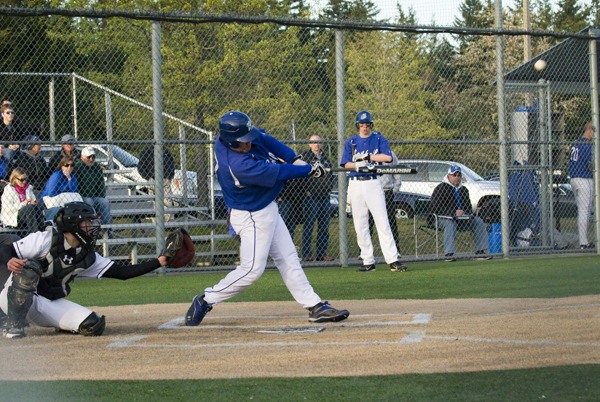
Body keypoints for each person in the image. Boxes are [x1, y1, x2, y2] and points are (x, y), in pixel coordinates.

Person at [184, 111, 349, 326]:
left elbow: (267, 140)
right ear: (231, 141)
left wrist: (295, 159)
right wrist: (309, 170)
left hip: (266, 207)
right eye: (244, 142)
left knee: (289, 257)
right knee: (252, 270)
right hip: (251, 215)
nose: (249, 143)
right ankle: (206, 300)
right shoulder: (238, 166)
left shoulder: (235, 137)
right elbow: (279, 172)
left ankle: (315, 306)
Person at [0, 201, 173, 339]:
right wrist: (10, 261)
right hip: (12, 296)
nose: (92, 226)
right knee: (29, 268)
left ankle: (58, 324)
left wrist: (159, 261)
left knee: (93, 324)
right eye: (87, 222)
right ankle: (12, 325)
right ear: (74, 224)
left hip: (43, 303)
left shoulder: (88, 255)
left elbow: (122, 273)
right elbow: (6, 249)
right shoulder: (46, 239)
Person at [340, 110, 407, 273]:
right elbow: (345, 164)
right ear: (357, 126)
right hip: (356, 183)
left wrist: (370, 158)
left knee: (382, 221)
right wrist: (358, 165)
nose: (364, 127)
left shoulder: (377, 138)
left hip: (373, 182)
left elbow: (388, 158)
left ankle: (392, 259)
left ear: (371, 125)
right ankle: (367, 260)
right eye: (361, 124)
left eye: (367, 124)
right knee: (360, 223)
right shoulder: (352, 141)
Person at [430, 165, 492, 262]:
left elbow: (468, 207)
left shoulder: (463, 189)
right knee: (450, 224)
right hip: (441, 218)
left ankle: (480, 252)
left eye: (459, 175)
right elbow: (436, 208)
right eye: (454, 175)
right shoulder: (440, 188)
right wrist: (453, 213)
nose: (457, 177)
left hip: (461, 220)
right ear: (449, 176)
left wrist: (467, 214)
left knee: (478, 221)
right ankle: (449, 254)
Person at [300, 134, 335, 262]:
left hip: (324, 196)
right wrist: (306, 191)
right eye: (314, 142)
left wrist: (329, 188)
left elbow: (331, 175)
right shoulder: (305, 157)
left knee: (324, 226)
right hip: (311, 196)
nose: (316, 144)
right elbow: (300, 175)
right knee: (309, 225)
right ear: (309, 144)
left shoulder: (325, 158)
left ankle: (321, 253)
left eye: (319, 142)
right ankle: (307, 253)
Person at [368, 150, 402, 249]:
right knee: (368, 221)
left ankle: (395, 249)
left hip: (386, 191)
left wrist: (395, 189)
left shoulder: (390, 154)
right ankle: (365, 251)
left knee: (390, 221)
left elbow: (397, 171)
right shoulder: (367, 154)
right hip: (371, 192)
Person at [569, 122, 595, 249]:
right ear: (590, 131)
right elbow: (591, 165)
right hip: (585, 179)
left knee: (583, 210)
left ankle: (583, 241)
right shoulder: (587, 145)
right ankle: (583, 243)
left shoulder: (576, 142)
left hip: (574, 179)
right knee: (585, 210)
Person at [76, 147, 113, 236]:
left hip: (94, 196)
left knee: (104, 202)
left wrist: (100, 195)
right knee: (89, 201)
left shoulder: (96, 167)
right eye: (88, 157)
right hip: (82, 196)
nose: (91, 159)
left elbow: (101, 185)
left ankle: (107, 231)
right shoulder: (78, 167)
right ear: (82, 157)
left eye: (93, 157)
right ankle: (92, 231)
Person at [138, 144, 176, 222]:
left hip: (165, 178)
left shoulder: (164, 151)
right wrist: (148, 177)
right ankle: (156, 221)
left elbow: (171, 164)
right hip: (153, 179)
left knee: (167, 199)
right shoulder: (146, 152)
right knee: (155, 201)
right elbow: (141, 167)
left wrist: (170, 176)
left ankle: (168, 220)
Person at [0, 168, 44, 234]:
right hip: (13, 216)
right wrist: (25, 203)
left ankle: (42, 229)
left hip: (28, 214)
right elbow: (8, 209)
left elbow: (33, 201)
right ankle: (34, 234)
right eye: (21, 180)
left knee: (37, 206)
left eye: (25, 179)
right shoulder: (9, 190)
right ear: (14, 179)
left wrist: (34, 202)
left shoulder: (28, 188)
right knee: (29, 208)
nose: (24, 182)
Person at [40, 155, 79, 221]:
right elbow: (51, 193)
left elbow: (74, 191)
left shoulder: (73, 175)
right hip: (49, 201)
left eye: (71, 165)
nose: (69, 168)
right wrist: (64, 194)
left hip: (64, 201)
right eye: (66, 165)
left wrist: (69, 178)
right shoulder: (57, 175)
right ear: (62, 166)